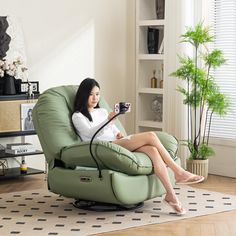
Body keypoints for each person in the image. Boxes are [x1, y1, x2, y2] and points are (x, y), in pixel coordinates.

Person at [72, 78, 204, 216]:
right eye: (91, 94)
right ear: (83, 95)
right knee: (151, 136)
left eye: (98, 94)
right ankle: (178, 172)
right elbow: (90, 133)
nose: (95, 98)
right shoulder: (78, 116)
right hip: (103, 147)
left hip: (116, 142)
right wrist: (108, 120)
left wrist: (117, 133)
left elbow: (111, 130)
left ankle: (171, 195)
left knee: (152, 150)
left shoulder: (102, 111)